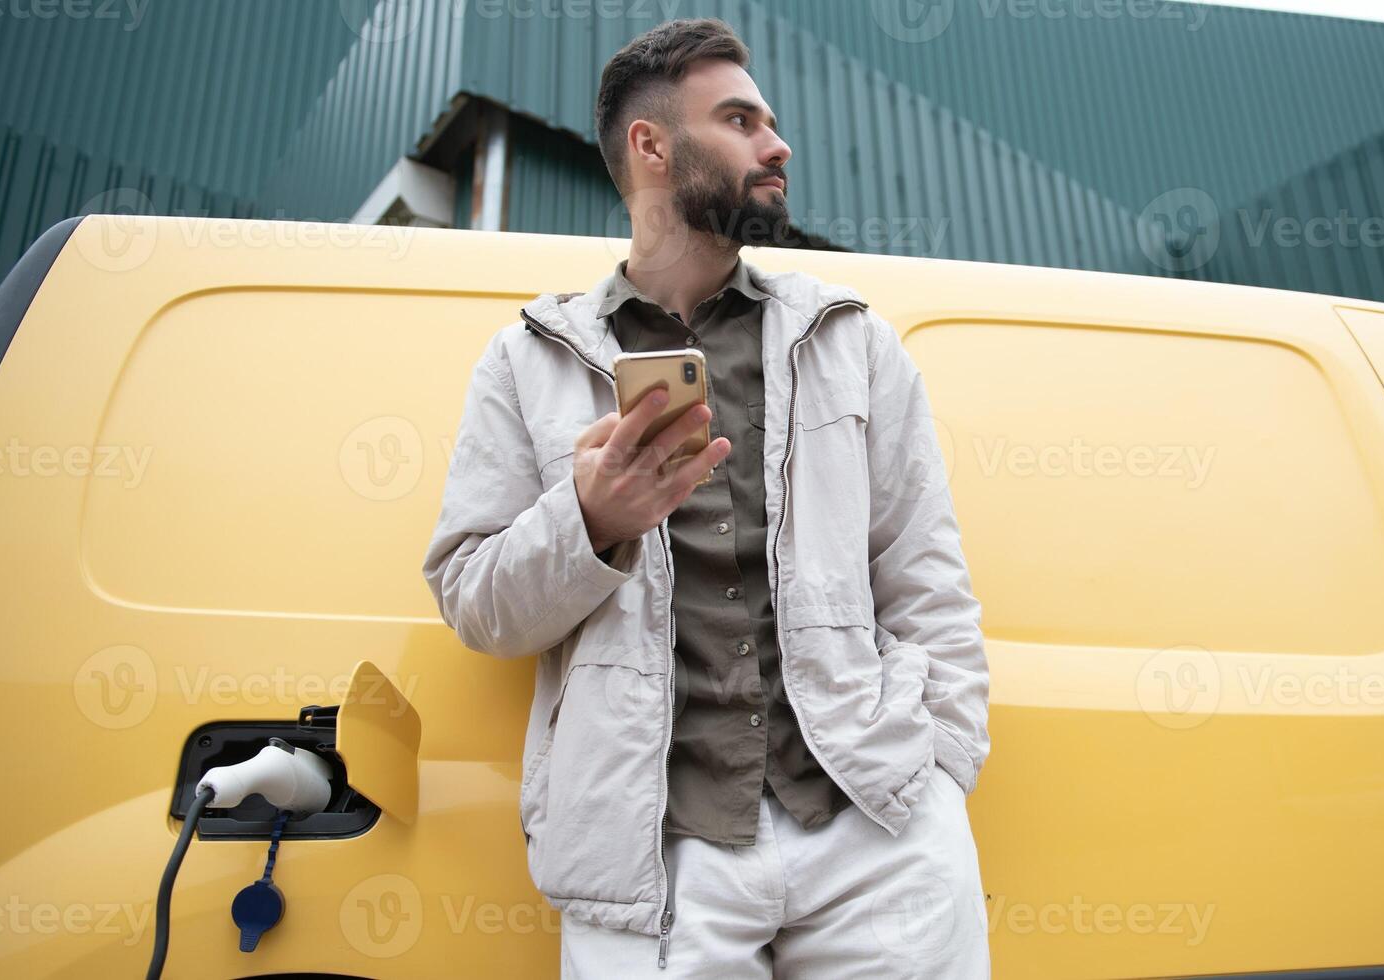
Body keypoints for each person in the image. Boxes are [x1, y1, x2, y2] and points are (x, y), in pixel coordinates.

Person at [423, 17, 991, 978]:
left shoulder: (849, 341)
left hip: (875, 832)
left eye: (768, 121)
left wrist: (937, 771)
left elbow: (924, 575)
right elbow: (473, 601)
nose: (777, 146)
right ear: (651, 146)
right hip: (650, 863)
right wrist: (591, 521)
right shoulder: (526, 359)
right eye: (740, 121)